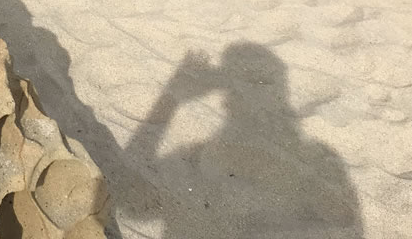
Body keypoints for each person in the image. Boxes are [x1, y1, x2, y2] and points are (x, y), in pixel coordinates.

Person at [119, 43, 363, 239]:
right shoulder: (318, 157)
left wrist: (171, 99)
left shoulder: (191, 163)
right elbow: (343, 216)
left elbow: (130, 204)